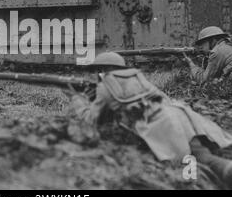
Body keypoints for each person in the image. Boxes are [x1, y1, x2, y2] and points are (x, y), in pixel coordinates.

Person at [64, 52, 232, 188]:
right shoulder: (138, 78)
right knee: (201, 154)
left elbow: (91, 119)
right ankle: (226, 169)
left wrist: (77, 99)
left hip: (160, 125)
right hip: (179, 116)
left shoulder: (105, 86)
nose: (96, 74)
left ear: (104, 69)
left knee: (186, 165)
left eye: (98, 70)